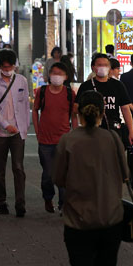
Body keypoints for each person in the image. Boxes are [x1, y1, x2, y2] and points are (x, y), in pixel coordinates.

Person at [54, 90, 129, 266]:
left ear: (79, 113)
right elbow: (125, 175)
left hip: (77, 220)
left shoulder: (68, 140)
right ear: (103, 113)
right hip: (110, 217)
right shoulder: (113, 139)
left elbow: (58, 178)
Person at [0, 49, 30, 217]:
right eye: (4, 67)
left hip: (18, 131)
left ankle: (20, 204)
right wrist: (5, 124)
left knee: (18, 168)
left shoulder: (22, 81)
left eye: (10, 66)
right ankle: (0, 202)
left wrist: (24, 127)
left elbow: (25, 105)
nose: (7, 69)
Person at [32, 62, 77, 213]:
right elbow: (35, 110)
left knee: (63, 173)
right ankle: (48, 198)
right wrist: (37, 131)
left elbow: (74, 115)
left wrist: (75, 134)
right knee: (48, 174)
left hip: (64, 140)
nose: (56, 76)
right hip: (45, 140)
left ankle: (63, 204)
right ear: (49, 75)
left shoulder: (70, 93)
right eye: (54, 73)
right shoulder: (42, 91)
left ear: (65, 77)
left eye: (60, 74)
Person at [75, 53, 133, 147]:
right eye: (99, 65)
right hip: (91, 131)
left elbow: (125, 109)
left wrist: (131, 132)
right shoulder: (86, 86)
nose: (103, 67)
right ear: (93, 67)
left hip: (113, 130)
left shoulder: (118, 85)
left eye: (106, 65)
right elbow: (76, 108)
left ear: (109, 67)